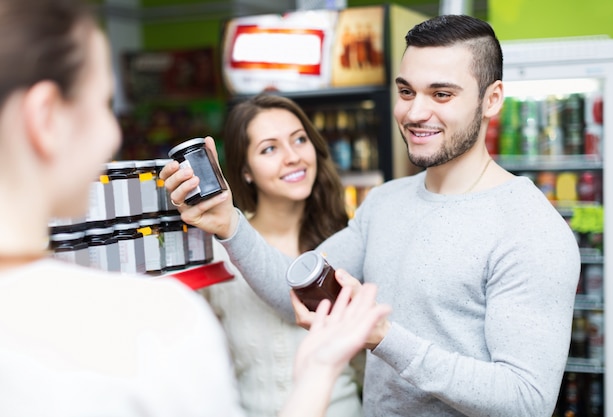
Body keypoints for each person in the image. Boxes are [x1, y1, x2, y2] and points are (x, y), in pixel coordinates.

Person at [161, 14, 581, 417]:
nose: (415, 113)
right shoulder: (386, 202)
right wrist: (229, 223)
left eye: (441, 94)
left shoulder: (530, 229)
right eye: (406, 91)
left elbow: (527, 401)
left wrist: (382, 337)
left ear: (492, 100)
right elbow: (298, 296)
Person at [0, 0, 391, 416]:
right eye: (103, 104)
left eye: (299, 140)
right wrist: (318, 370)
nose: (115, 132)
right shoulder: (157, 317)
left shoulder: (352, 235)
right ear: (44, 118)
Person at [200, 94, 364, 417]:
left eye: (299, 139)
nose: (292, 157)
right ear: (245, 170)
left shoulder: (348, 242)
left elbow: (368, 364)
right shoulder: (219, 253)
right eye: (269, 148)